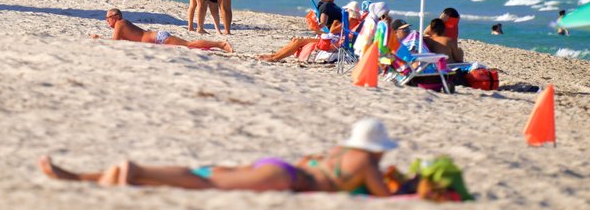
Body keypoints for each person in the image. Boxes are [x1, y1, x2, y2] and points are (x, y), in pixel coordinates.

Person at [40, 117, 398, 196]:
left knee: (202, 172)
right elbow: (384, 195)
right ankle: (135, 169)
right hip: (284, 179)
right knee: (204, 180)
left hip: (278, 167)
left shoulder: (339, 151)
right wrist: (406, 182)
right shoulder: (366, 163)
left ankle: (78, 177)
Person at [93, 9, 232, 52]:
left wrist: (98, 39)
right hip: (157, 39)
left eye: (108, 17)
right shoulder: (122, 25)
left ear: (116, 17)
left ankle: (221, 44)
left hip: (158, 38)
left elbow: (114, 42)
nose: (107, 20)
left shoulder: (120, 23)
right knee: (189, 46)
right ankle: (218, 45)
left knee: (189, 44)